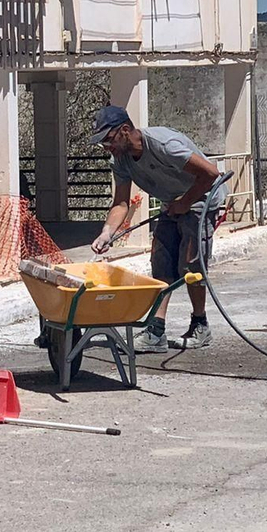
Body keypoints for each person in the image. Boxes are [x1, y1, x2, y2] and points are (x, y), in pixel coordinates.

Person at [88, 105, 224, 352]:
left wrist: (184, 203)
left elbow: (210, 174)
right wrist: (107, 232)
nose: (108, 149)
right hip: (172, 204)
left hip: (202, 200)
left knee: (192, 265)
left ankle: (200, 325)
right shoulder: (120, 160)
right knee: (161, 263)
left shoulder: (164, 145)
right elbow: (121, 202)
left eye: (109, 141)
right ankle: (156, 331)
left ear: (125, 131)